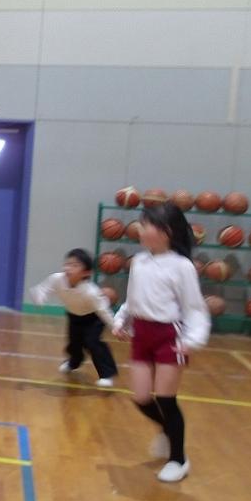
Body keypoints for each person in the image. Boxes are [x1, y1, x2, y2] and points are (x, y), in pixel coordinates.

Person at [113, 203, 210, 482]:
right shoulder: (139, 262)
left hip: (170, 336)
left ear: (166, 231)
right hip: (142, 335)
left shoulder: (182, 266)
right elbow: (132, 299)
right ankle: (167, 432)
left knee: (166, 399)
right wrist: (122, 319)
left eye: (146, 224)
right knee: (141, 398)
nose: (140, 229)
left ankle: (178, 459)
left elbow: (194, 308)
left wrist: (192, 339)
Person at [30, 249, 118, 387]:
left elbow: (103, 310)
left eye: (75, 265)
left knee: (92, 342)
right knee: (74, 343)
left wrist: (115, 327)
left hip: (94, 318)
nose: (69, 268)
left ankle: (107, 375)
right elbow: (42, 289)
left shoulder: (91, 292)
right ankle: (73, 362)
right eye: (67, 264)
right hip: (74, 315)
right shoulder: (57, 279)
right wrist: (39, 297)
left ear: (86, 273)